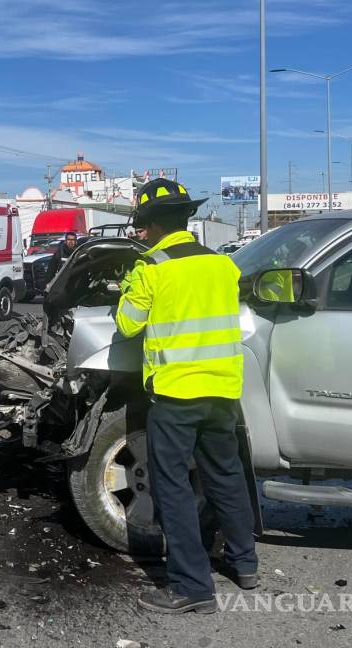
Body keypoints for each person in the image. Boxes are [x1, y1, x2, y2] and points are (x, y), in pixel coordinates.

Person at [116, 178, 259, 614]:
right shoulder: (223, 264)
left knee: (172, 486)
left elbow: (127, 325)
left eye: (142, 224)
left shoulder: (151, 268)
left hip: (177, 395)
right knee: (225, 475)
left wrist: (125, 290)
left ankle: (191, 586)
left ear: (154, 224)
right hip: (223, 390)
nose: (140, 232)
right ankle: (244, 562)